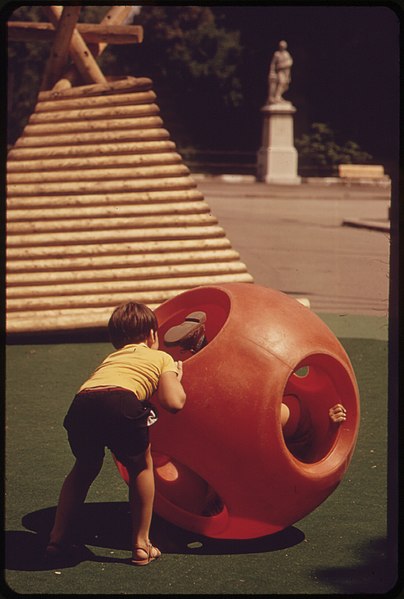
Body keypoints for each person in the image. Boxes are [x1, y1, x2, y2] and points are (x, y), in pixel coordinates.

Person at [45, 302, 186, 566]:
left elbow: (104, 390)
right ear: (152, 335)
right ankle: (141, 545)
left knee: (84, 468)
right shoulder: (160, 357)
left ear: (115, 339)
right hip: (121, 402)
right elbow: (174, 403)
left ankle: (57, 537)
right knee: (141, 468)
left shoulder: (111, 359)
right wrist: (175, 377)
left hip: (82, 403)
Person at [267, 40, 293, 104]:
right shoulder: (277, 54)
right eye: (281, 46)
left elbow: (290, 62)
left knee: (285, 84)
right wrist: (272, 71)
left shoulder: (287, 54)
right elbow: (273, 63)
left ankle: (278, 96)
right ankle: (277, 96)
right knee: (281, 82)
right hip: (280, 71)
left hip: (286, 72)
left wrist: (285, 64)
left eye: (283, 46)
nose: (282, 47)